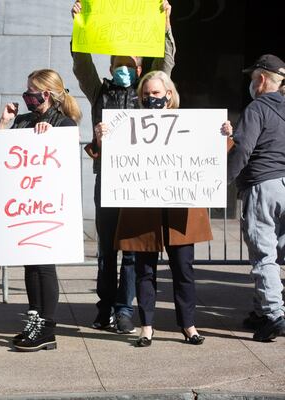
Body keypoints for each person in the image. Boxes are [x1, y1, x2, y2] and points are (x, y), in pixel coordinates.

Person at [70, 0, 175, 334]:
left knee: (130, 251)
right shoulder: (100, 93)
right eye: (118, 64)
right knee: (106, 251)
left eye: (129, 64)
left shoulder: (147, 95)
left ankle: (124, 309)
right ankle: (104, 307)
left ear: (140, 68)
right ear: (111, 66)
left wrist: (166, 24)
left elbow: (166, 60)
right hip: (107, 179)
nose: (123, 69)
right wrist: (78, 27)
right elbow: (81, 64)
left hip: (136, 183)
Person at [108, 71, 212, 347]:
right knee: (145, 271)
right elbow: (104, 153)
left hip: (180, 211)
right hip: (145, 211)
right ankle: (147, 326)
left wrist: (224, 134)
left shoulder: (189, 123)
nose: (150, 98)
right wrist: (102, 136)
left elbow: (212, 151)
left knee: (183, 269)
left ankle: (188, 325)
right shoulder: (129, 124)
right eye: (146, 94)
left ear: (168, 94)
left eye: (155, 93)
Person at [0, 69, 82, 352]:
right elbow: (0, 155)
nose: (27, 98)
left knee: (45, 266)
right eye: (25, 93)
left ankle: (48, 327)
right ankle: (33, 321)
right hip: (25, 206)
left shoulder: (64, 123)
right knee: (30, 265)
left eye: (31, 93)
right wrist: (4, 123)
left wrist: (49, 136)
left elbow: (64, 164)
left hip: (47, 207)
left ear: (46, 94)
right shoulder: (22, 121)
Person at [221, 54, 285, 342]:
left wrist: (222, 181)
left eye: (251, 78)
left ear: (261, 79)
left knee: (264, 255)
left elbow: (244, 149)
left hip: (263, 186)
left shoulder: (257, 108)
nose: (250, 83)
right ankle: (262, 310)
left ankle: (273, 315)